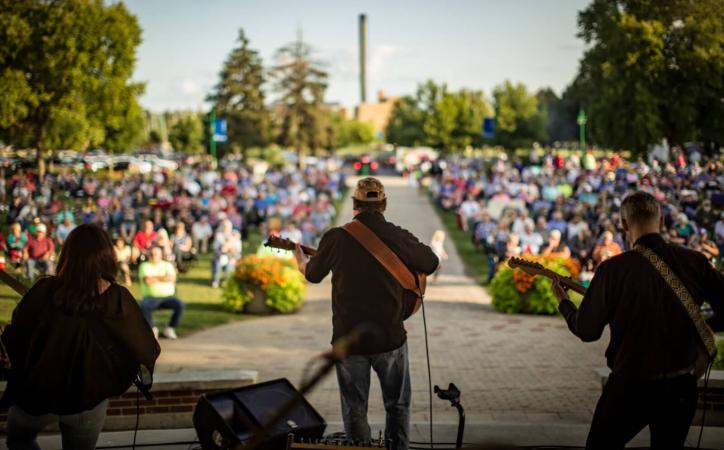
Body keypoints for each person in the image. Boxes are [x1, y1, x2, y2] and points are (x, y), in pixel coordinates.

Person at [550, 191, 724, 450]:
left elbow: (587, 330)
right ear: (662, 222)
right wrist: (702, 325)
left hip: (630, 386)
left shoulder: (612, 270)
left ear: (623, 224)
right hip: (680, 386)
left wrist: (565, 303)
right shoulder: (695, 262)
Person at [293, 177, 438, 450]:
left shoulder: (335, 237)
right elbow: (430, 262)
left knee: (354, 407)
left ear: (354, 205)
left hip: (349, 339)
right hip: (390, 337)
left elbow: (313, 275)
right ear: (383, 205)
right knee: (397, 405)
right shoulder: (397, 235)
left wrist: (301, 262)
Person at [1, 224, 160, 450]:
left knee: (19, 441)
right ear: (106, 257)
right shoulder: (117, 298)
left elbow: (15, 335)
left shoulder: (44, 289)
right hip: (88, 397)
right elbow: (144, 349)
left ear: (67, 254)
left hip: (37, 394)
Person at [138, 246, 185, 339]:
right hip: (150, 298)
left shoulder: (167, 265)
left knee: (180, 304)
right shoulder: (144, 266)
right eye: (151, 254)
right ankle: (151, 330)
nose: (153, 256)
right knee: (144, 306)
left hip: (168, 297)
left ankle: (170, 329)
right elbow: (147, 280)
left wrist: (155, 278)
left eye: (155, 254)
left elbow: (172, 278)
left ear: (160, 255)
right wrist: (163, 278)